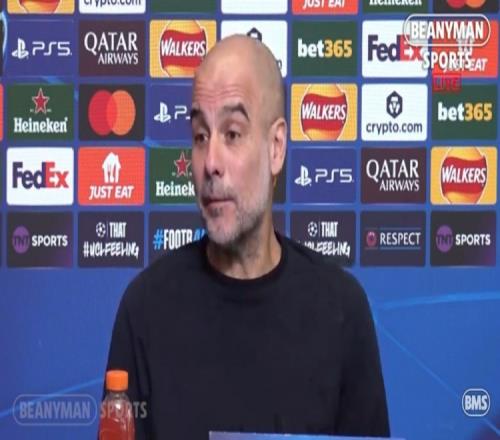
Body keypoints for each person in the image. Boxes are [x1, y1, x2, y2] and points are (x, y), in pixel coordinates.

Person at [104, 35, 390, 439]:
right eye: (200, 136)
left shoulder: (342, 311)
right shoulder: (145, 309)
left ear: (276, 148)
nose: (211, 163)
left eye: (233, 134)